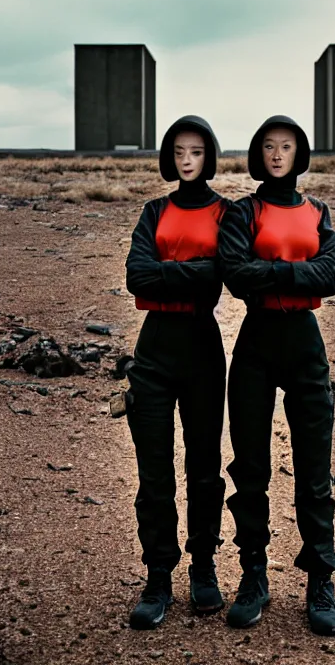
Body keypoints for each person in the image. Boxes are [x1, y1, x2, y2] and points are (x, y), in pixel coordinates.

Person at [218, 115, 335, 636]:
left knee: (314, 468)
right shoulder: (244, 210)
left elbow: (333, 273)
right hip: (256, 342)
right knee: (250, 464)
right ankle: (254, 575)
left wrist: (274, 271)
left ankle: (320, 580)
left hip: (305, 343)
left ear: (299, 153)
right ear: (257, 154)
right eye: (267, 146)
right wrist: (298, 269)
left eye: (286, 146)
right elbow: (233, 272)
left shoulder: (317, 210)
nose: (276, 154)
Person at [125, 116, 228, 629]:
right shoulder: (154, 211)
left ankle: (204, 568)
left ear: (209, 156)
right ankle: (159, 575)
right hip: (154, 350)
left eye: (197, 151)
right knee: (154, 471)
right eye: (179, 151)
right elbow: (134, 276)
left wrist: (168, 273)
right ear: (170, 156)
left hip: (203, 348)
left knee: (205, 466)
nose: (188, 159)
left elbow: (219, 281)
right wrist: (192, 271)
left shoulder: (225, 213)